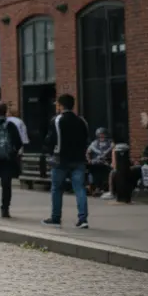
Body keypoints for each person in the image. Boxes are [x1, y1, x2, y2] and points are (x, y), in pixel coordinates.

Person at [45, 95, 91, 228]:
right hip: (78, 159)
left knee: (57, 189)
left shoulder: (57, 120)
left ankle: (56, 217)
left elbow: (50, 140)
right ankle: (83, 219)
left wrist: (49, 152)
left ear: (60, 105)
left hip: (61, 159)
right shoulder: (82, 121)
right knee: (80, 189)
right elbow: (85, 139)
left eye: (57, 104)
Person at [86, 128, 114, 198]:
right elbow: (88, 152)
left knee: (106, 171)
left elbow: (114, 152)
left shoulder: (110, 143)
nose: (101, 136)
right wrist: (89, 160)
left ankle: (105, 187)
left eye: (103, 135)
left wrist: (111, 161)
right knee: (92, 171)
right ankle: (94, 187)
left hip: (106, 162)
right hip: (96, 162)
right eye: (100, 135)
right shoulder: (94, 143)